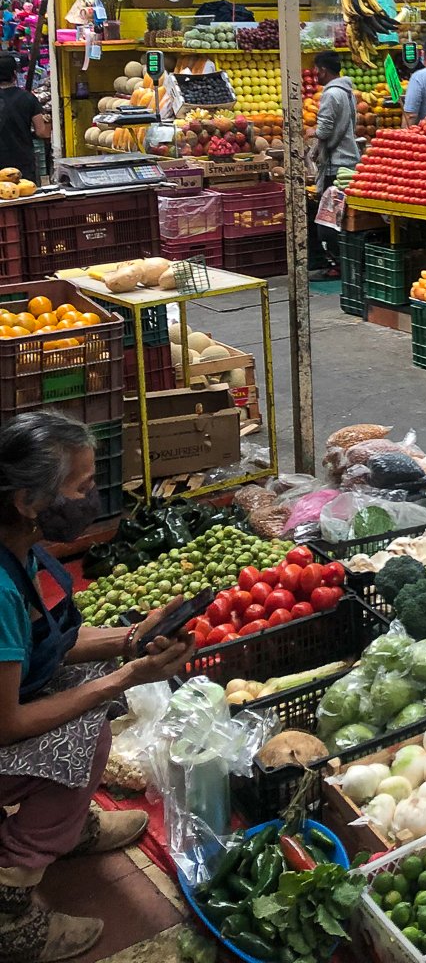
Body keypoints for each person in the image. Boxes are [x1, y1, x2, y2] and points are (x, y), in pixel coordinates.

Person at [0, 411, 195, 961]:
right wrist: (128, 676)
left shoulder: (17, 545)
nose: (95, 496)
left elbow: (51, 643)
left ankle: (64, 829)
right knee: (78, 734)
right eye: (83, 486)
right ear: (28, 500)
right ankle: (9, 910)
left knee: (89, 696)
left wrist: (133, 638)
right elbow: (7, 723)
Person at [310, 51, 360, 277]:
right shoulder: (348, 92)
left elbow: (324, 129)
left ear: (322, 69)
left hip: (336, 164)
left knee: (329, 221)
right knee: (342, 217)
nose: (314, 74)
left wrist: (313, 137)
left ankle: (338, 265)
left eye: (315, 69)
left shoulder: (331, 95)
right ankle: (343, 263)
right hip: (349, 159)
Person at [0, 54, 48, 184]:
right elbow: (41, 131)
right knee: (25, 197)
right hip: (22, 162)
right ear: (14, 73)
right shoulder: (28, 98)